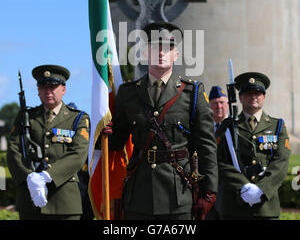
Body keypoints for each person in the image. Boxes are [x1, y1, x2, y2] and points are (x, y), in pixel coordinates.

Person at [103, 21, 218, 220]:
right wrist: (101, 133)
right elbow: (116, 142)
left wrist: (209, 191)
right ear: (144, 53)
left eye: (168, 48)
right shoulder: (127, 93)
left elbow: (206, 146)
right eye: (155, 47)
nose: (161, 52)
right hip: (138, 195)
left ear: (176, 54)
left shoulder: (192, 93)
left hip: (178, 195)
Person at [7, 65, 90, 220]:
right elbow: (13, 151)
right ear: (38, 90)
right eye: (43, 87)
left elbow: (78, 154)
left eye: (53, 86)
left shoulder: (78, 119)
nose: (48, 91)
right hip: (30, 201)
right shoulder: (26, 117)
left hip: (64, 201)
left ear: (63, 89)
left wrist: (47, 176)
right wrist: (29, 179)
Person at [216, 72, 291, 220]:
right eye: (248, 92)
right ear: (240, 97)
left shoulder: (278, 126)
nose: (253, 96)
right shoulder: (227, 127)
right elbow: (218, 161)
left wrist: (261, 188)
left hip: (266, 207)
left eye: (258, 92)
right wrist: (243, 186)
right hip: (233, 207)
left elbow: (281, 162)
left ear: (264, 96)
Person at [205, 85, 228, 220]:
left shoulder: (234, 127)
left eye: (222, 102)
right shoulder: (204, 127)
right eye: (215, 103)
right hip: (208, 187)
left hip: (227, 188)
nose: (219, 106)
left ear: (227, 104)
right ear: (209, 105)